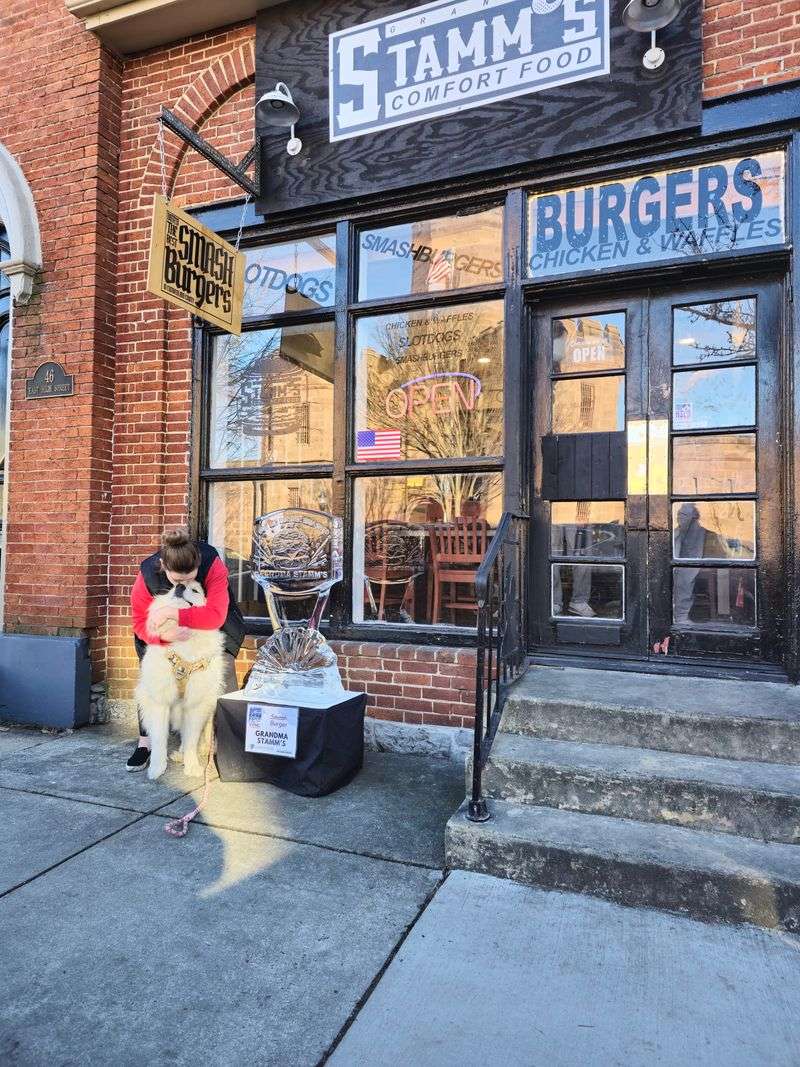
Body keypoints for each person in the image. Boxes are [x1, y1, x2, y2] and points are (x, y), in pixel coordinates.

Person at [126, 530, 246, 771]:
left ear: (198, 564)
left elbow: (216, 615)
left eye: (190, 577)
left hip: (214, 626)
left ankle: (228, 747)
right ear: (164, 566)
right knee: (153, 683)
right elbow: (139, 622)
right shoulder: (147, 572)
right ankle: (145, 743)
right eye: (176, 579)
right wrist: (161, 637)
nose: (183, 584)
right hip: (163, 634)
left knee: (221, 679)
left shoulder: (212, 563)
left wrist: (173, 613)